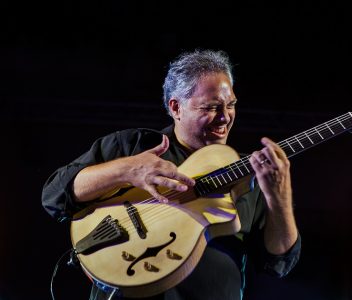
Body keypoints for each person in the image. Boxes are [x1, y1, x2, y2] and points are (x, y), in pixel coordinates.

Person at [42, 49, 301, 300]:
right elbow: (54, 195)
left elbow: (278, 263)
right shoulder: (134, 146)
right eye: (210, 107)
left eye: (230, 104)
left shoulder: (251, 175)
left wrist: (279, 196)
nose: (224, 118)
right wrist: (126, 170)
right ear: (176, 107)